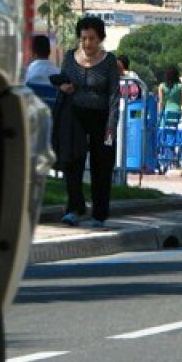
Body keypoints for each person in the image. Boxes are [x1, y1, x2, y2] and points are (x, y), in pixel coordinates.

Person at [52, 16, 120, 228]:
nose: (87, 44)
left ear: (100, 38)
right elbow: (62, 80)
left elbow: (114, 95)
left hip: (101, 118)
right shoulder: (70, 58)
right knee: (73, 163)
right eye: (83, 39)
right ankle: (74, 208)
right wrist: (63, 87)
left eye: (92, 38)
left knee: (102, 166)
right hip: (74, 116)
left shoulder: (109, 61)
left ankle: (99, 214)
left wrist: (111, 126)